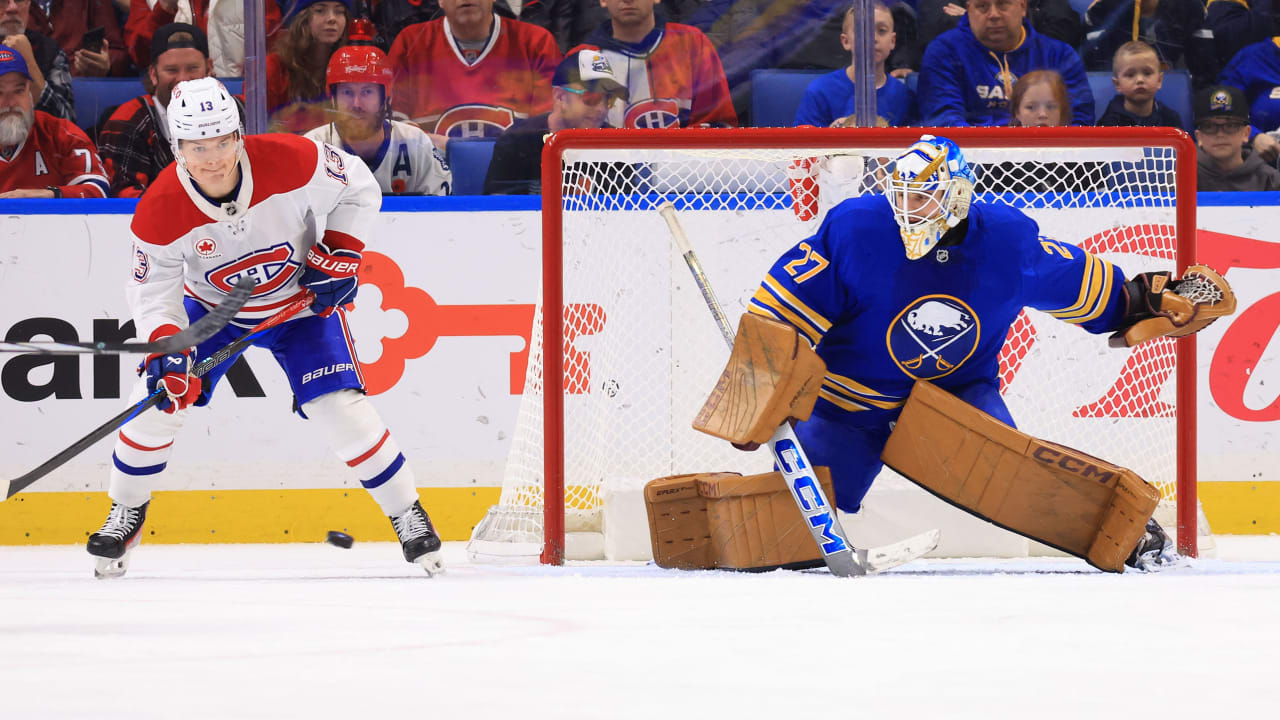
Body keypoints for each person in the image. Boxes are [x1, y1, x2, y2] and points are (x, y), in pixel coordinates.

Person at [736, 134, 1217, 570]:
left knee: (1016, 479)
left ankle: (1131, 535)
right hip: (848, 403)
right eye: (901, 195)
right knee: (789, 534)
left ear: (959, 195)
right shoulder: (858, 229)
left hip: (955, 399)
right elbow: (778, 319)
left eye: (923, 197)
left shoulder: (1008, 240)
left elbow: (1079, 285)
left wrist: (1142, 301)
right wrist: (758, 387)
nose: (908, 209)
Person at [84, 77, 443, 578]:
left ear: (238, 134)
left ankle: (408, 514)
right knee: (157, 403)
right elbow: (153, 293)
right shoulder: (158, 211)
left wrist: (341, 253)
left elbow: (358, 189)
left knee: (338, 407)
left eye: (222, 141)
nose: (212, 158)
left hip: (297, 303)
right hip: (212, 313)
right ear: (177, 146)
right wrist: (167, 352)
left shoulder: (293, 158)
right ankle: (126, 510)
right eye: (196, 146)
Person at [388, 0, 561, 138]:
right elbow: (395, 133)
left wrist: (455, 150)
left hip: (512, 178)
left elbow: (548, 133)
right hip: (432, 178)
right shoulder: (410, 45)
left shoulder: (537, 44)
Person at [98, 23, 232, 197]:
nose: (183, 79)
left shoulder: (236, 112)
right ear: (153, 74)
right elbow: (125, 196)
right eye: (172, 70)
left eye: (193, 68)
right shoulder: (128, 122)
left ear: (209, 68)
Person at [304, 43, 452, 195]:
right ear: (333, 99)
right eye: (347, 92)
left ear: (387, 97)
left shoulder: (416, 143)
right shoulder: (312, 148)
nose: (356, 104)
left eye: (367, 92)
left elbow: (440, 212)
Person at [917, 0, 1094, 126]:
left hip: (1048, 159)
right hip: (972, 161)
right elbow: (943, 118)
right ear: (969, 9)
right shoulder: (944, 51)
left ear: (1023, 6)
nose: (993, 14)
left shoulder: (1059, 54)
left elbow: (1080, 118)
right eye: (982, 6)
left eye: (1002, 4)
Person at [571, 0, 736, 128]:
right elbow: (573, 142)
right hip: (611, 171)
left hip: (683, 168)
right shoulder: (579, 61)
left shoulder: (693, 43)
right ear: (603, 0)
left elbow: (718, 125)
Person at [483, 48, 625, 194]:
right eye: (591, 98)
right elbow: (494, 209)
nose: (601, 109)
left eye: (608, 99)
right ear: (560, 97)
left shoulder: (617, 146)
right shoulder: (517, 142)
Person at [0, 47, 109, 197]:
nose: (11, 103)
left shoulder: (61, 134)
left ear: (30, 92)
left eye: (19, 91)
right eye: (0, 93)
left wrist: (51, 195)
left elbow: (99, 191)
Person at [794, 0, 917, 128]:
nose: (872, 38)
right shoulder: (819, 91)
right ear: (846, 41)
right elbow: (802, 143)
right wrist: (831, 134)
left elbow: (915, 143)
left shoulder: (904, 96)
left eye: (881, 31)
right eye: (862, 30)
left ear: (892, 41)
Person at [124, 0, 284, 76]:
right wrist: (164, 9)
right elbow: (141, 57)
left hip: (237, 99)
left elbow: (272, 51)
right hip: (172, 100)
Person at [1080, 0, 1215, 89]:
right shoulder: (1100, 12)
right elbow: (1097, 79)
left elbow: (1205, 75)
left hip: (1174, 105)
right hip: (1118, 105)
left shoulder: (1191, 9)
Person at [268, 0, 351, 134]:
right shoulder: (275, 66)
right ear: (301, 18)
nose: (332, 19)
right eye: (320, 10)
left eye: (339, 11)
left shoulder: (351, 66)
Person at [1194, 84, 1280, 190]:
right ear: (1199, 137)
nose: (1220, 134)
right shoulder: (1179, 177)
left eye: (1230, 126)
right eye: (1210, 127)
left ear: (1246, 133)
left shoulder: (1270, 180)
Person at [0, 0, 74, 120]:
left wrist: (29, 64)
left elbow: (66, 121)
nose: (12, 8)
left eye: (19, 0)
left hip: (37, 137)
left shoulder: (49, 51)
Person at [25, 0, 130, 77]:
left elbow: (119, 52)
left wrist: (106, 64)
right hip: (25, 87)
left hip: (79, 85)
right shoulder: (12, 5)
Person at [1096, 40, 1186, 128]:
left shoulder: (1170, 121)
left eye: (1147, 73)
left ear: (1159, 80)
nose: (1140, 80)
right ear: (1117, 84)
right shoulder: (1108, 124)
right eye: (1130, 75)